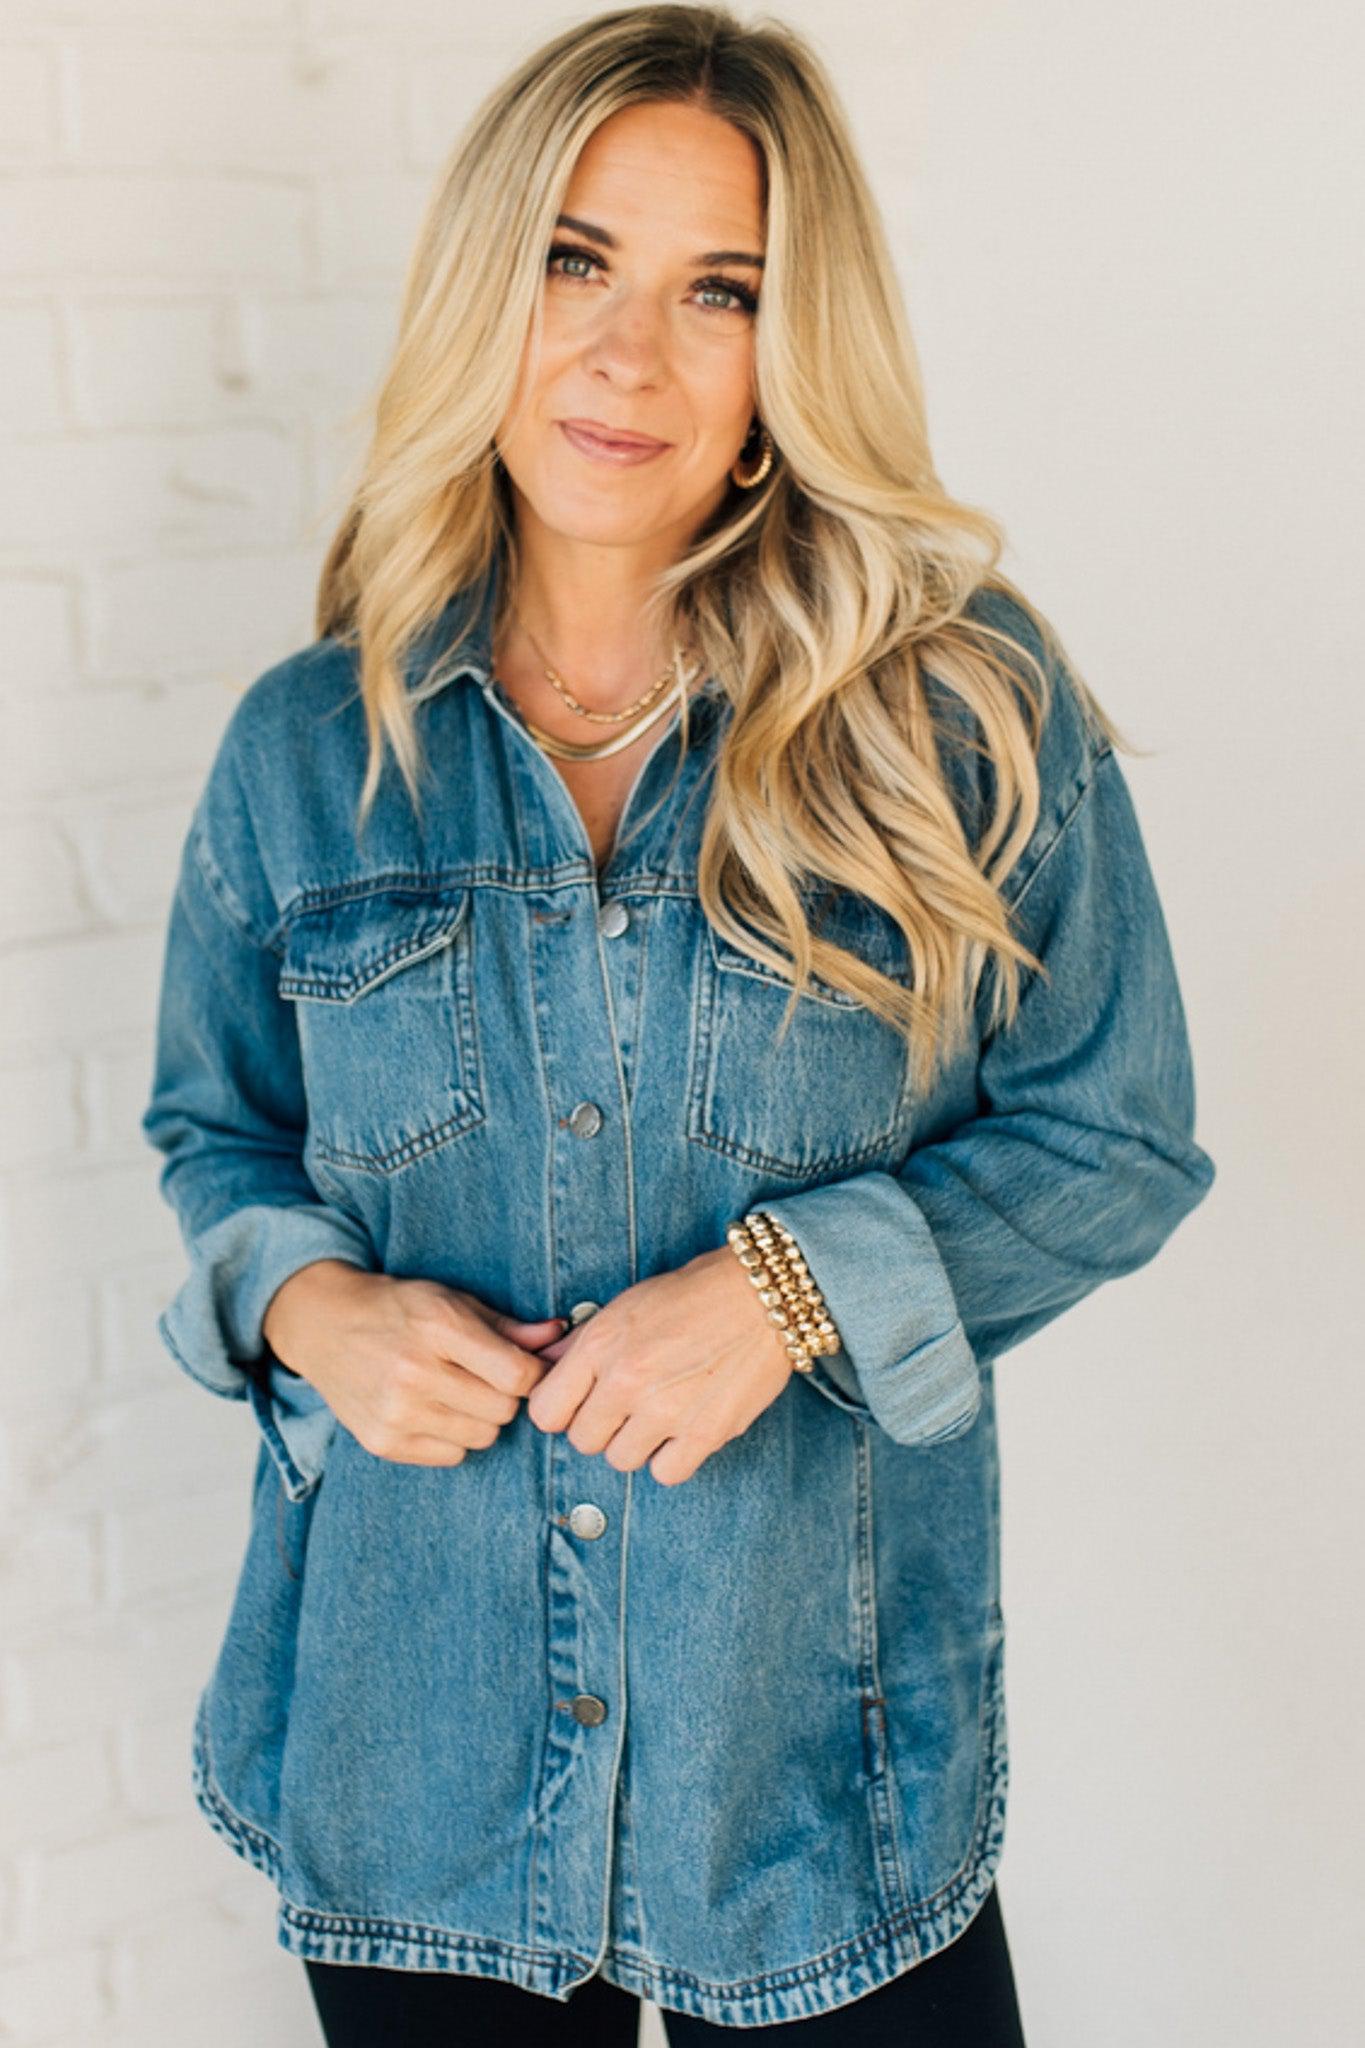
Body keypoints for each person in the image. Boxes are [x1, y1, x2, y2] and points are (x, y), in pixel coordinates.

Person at [140, 6, 1216, 2040]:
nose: (628, 355)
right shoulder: (306, 752)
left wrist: (792, 1293)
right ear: (486, 288)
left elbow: (1117, 1133)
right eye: (575, 261)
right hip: (411, 1765)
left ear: (786, 353)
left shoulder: (957, 711)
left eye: (718, 289)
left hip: (810, 1788)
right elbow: (220, 1134)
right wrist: (314, 1309)